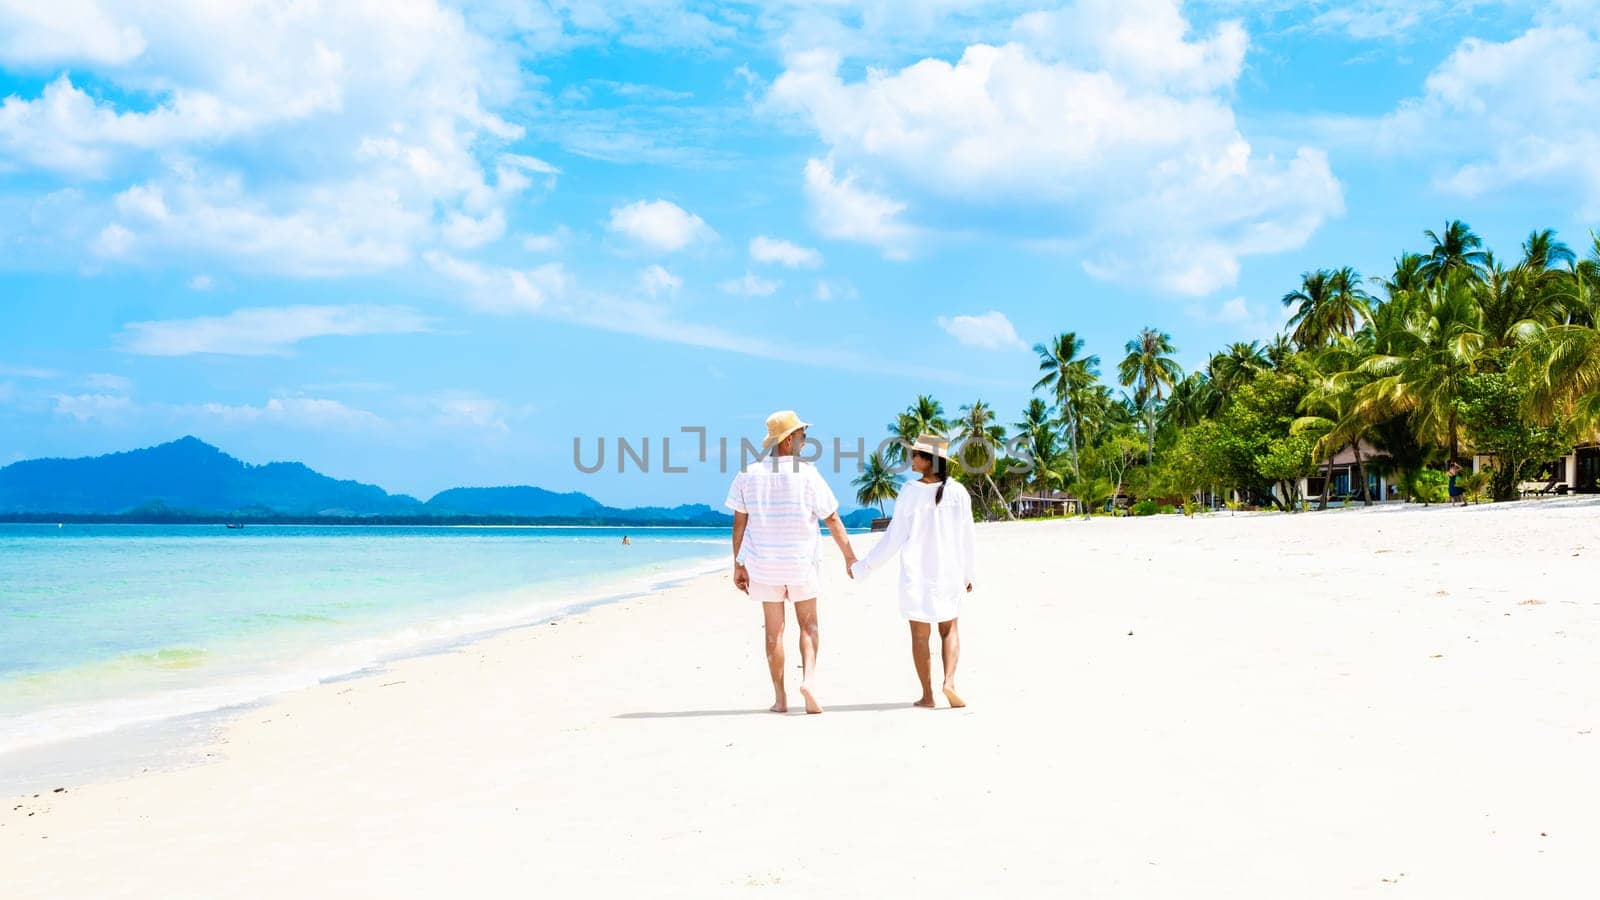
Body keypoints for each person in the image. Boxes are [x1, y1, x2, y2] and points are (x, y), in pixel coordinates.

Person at [726, 410, 857, 714]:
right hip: (801, 565)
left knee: (774, 632)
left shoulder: (747, 473)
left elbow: (738, 526)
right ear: (787, 441)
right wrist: (849, 556)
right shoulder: (808, 474)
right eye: (801, 435)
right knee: (808, 625)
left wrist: (738, 564)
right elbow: (832, 517)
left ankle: (780, 698)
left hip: (764, 566)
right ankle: (808, 680)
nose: (805, 440)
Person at [850, 434, 977, 709]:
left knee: (920, 636)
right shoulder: (958, 492)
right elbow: (969, 537)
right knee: (950, 629)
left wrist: (864, 567)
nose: (912, 458)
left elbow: (893, 538)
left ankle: (928, 696)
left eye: (917, 454)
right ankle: (950, 682)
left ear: (929, 461)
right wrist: (968, 574)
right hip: (949, 573)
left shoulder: (910, 491)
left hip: (916, 576)